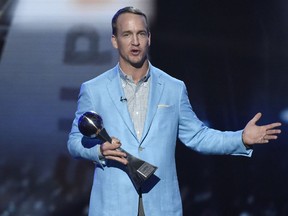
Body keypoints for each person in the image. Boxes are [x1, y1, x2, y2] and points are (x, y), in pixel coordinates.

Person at [67, 6, 282, 216]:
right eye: (127, 34)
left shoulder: (173, 88)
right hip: (112, 207)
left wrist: (241, 138)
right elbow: (75, 143)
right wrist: (99, 151)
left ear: (149, 38)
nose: (135, 41)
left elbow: (198, 136)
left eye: (141, 33)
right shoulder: (94, 89)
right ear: (114, 40)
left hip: (161, 206)